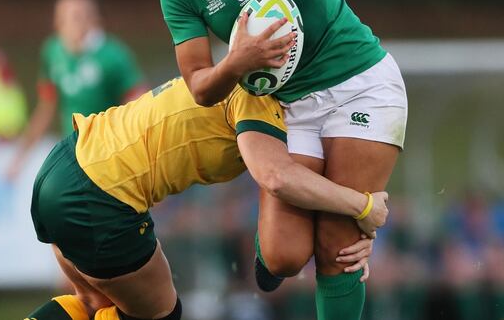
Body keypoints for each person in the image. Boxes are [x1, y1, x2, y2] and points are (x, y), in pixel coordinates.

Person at [98, 0, 408, 319]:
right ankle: (278, 247)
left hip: (361, 85)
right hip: (289, 107)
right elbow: (200, 86)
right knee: (284, 256)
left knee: (337, 247)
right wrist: (236, 62)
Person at [26, 77, 387, 320]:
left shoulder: (218, 76)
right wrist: (363, 207)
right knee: (159, 315)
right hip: (101, 193)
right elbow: (278, 178)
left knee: (93, 304)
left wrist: (354, 224)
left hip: (64, 163)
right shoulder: (257, 97)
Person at [5, 0, 148, 180]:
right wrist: (20, 158)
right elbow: (46, 107)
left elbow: (140, 105)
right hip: (74, 153)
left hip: (110, 155)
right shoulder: (53, 51)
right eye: (64, 18)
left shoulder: (113, 55)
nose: (71, 24)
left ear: (95, 20)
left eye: (79, 17)